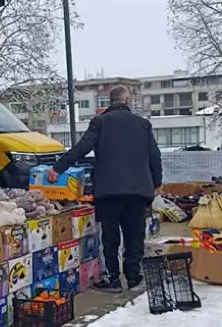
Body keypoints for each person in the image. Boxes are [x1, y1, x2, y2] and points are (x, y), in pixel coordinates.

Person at [48, 86, 162, 292]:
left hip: (109, 191)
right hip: (138, 191)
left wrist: (58, 168)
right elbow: (154, 155)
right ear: (127, 100)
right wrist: (157, 182)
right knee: (134, 236)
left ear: (110, 102)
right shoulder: (143, 124)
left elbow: (82, 147)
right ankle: (134, 277)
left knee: (110, 237)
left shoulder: (100, 122)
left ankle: (113, 279)